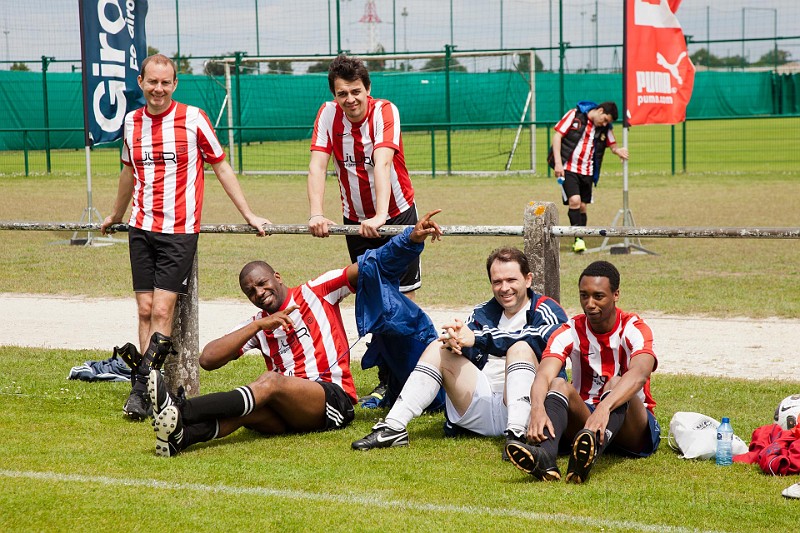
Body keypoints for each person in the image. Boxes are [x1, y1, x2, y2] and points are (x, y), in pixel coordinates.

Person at [148, 210, 444, 457]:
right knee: (248, 411)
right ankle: (181, 438)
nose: (259, 293)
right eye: (251, 292)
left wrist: (410, 239)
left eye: (262, 283)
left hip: (333, 401)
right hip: (290, 410)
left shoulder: (316, 291)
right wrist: (255, 327)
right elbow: (207, 359)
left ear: (277, 277)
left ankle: (179, 409)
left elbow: (371, 265)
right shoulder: (258, 324)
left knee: (269, 382)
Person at [100, 54, 270, 421]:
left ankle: (146, 388)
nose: (158, 89)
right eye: (152, 82)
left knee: (163, 310)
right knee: (144, 310)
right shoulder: (131, 123)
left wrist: (249, 214)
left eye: (166, 83)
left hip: (178, 232)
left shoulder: (193, 119)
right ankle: (145, 390)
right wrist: (116, 215)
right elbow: (128, 173)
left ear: (175, 84)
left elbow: (221, 166)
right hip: (140, 228)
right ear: (141, 82)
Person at [351, 247, 568, 457]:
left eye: (511, 280)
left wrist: (478, 339)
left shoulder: (548, 310)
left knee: (520, 348)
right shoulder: (483, 312)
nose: (504, 288)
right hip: (479, 405)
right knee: (439, 347)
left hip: (525, 409)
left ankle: (517, 437)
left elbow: (541, 340)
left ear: (528, 279)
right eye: (497, 282)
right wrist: (456, 343)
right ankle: (393, 427)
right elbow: (471, 347)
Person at [307, 53, 419, 406]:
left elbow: (383, 162)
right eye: (342, 94)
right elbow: (316, 166)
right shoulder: (327, 115)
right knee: (372, 298)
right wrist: (316, 213)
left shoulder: (386, 111)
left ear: (368, 89)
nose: (350, 100)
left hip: (397, 214)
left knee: (402, 299)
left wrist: (382, 215)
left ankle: (413, 381)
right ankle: (388, 383)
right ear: (334, 96)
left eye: (356, 91)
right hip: (354, 220)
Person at [505, 260, 660, 483]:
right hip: (587, 422)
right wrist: (537, 409)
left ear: (616, 294)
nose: (589, 304)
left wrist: (604, 408)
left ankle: (589, 454)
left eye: (598, 296)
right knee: (558, 384)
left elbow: (639, 374)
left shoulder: (634, 327)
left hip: (632, 426)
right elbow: (543, 374)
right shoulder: (570, 330)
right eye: (584, 295)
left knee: (616, 382)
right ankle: (545, 458)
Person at [549, 101, 629, 253]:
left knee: (583, 206)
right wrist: (558, 163)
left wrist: (618, 151)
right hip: (568, 169)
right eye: (605, 119)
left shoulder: (604, 128)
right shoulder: (574, 115)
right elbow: (557, 136)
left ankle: (581, 236)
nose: (604, 123)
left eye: (607, 122)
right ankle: (578, 239)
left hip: (588, 172)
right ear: (600, 111)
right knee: (575, 201)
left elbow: (612, 144)